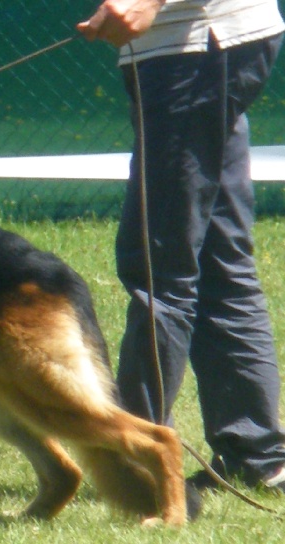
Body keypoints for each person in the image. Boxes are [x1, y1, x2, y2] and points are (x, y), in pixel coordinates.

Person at [77, 0, 285, 491]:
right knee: (216, 259)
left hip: (194, 49)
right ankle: (258, 456)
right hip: (203, 46)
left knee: (158, 265)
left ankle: (135, 460)